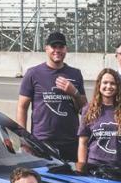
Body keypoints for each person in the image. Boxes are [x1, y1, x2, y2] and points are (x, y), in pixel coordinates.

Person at [17, 31, 86, 162]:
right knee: (44, 180)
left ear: (66, 49)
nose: (57, 50)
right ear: (46, 48)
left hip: (70, 140)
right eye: (54, 47)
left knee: (70, 180)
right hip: (42, 140)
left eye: (61, 47)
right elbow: (22, 107)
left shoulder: (75, 74)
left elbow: (84, 109)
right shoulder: (33, 73)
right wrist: (23, 138)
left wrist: (74, 92)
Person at [76, 68, 121, 173]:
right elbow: (83, 142)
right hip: (94, 167)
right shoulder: (88, 109)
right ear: (99, 85)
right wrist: (82, 167)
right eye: (105, 83)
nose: (109, 86)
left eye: (112, 83)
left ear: (118, 87)